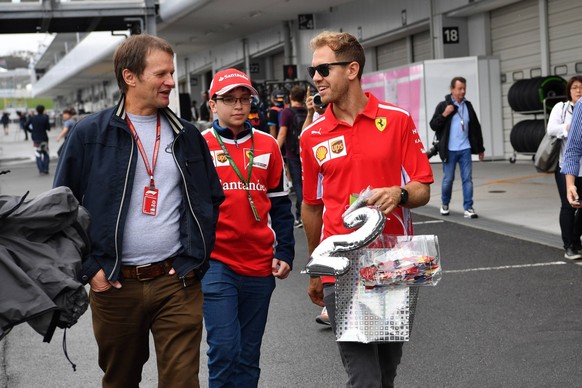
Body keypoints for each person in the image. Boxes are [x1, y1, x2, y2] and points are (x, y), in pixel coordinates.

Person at [53, 33, 225, 387]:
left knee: (182, 381)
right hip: (115, 286)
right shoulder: (89, 134)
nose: (170, 82)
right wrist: (89, 268)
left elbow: (210, 198)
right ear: (129, 76)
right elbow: (61, 209)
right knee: (121, 380)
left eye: (171, 73)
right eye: (161, 74)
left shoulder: (187, 135)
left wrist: (196, 257)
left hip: (177, 281)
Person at [300, 31, 433, 387]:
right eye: (313, 70)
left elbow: (422, 188)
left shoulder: (397, 120)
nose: (316, 78)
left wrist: (399, 193)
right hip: (341, 265)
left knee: (386, 371)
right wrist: (317, 266)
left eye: (324, 69)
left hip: (394, 261)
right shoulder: (311, 136)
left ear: (352, 69)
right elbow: (311, 207)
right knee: (365, 377)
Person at [201, 68, 295, 387]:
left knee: (248, 355)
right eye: (229, 100)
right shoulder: (200, 145)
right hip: (217, 262)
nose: (238, 106)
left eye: (244, 99)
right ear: (213, 104)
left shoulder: (268, 145)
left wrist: (285, 250)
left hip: (259, 264)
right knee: (225, 349)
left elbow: (281, 205)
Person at [430, 76, 485, 218]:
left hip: (465, 149)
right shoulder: (444, 105)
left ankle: (468, 207)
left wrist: (480, 148)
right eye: (459, 88)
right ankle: (445, 203)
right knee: (448, 179)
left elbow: (475, 128)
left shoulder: (468, 105)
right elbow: (433, 125)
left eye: (464, 88)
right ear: (452, 89)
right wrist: (444, 114)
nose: (462, 91)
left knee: (467, 179)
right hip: (449, 150)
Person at [546, 75, 582, 260]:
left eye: (581, 87)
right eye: (575, 87)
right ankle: (569, 245)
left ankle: (576, 239)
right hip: (565, 166)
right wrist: (568, 128)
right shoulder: (562, 108)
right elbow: (551, 129)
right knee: (568, 205)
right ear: (569, 90)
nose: (578, 90)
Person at [277, 85, 308, 228]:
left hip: (292, 153)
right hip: (307, 152)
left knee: (298, 184)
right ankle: (304, 214)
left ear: (290, 97)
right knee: (307, 183)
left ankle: (302, 216)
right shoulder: (308, 110)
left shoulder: (287, 113)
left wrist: (274, 151)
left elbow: (282, 133)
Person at [26, 105, 51, 175]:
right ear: (43, 110)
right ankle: (46, 168)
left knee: (38, 154)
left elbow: (25, 125)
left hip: (36, 138)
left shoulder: (32, 118)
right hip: (44, 138)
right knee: (46, 153)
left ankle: (41, 170)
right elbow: (48, 128)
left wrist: (31, 131)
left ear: (36, 110)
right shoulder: (45, 118)